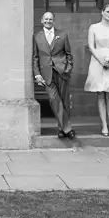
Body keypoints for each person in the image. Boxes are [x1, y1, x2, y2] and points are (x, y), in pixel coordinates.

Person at [32, 11, 75, 139]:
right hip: (46, 73)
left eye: (50, 19)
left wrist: (68, 69)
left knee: (64, 101)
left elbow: (69, 54)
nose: (48, 21)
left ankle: (62, 129)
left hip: (62, 71)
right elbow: (35, 57)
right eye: (46, 19)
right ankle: (68, 128)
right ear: (42, 20)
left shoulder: (62, 35)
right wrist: (37, 75)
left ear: (53, 21)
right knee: (53, 99)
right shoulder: (36, 36)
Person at [84, 4, 109, 136]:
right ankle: (104, 125)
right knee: (100, 93)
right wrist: (101, 61)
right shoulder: (94, 27)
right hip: (97, 61)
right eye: (107, 11)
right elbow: (91, 46)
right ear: (102, 12)